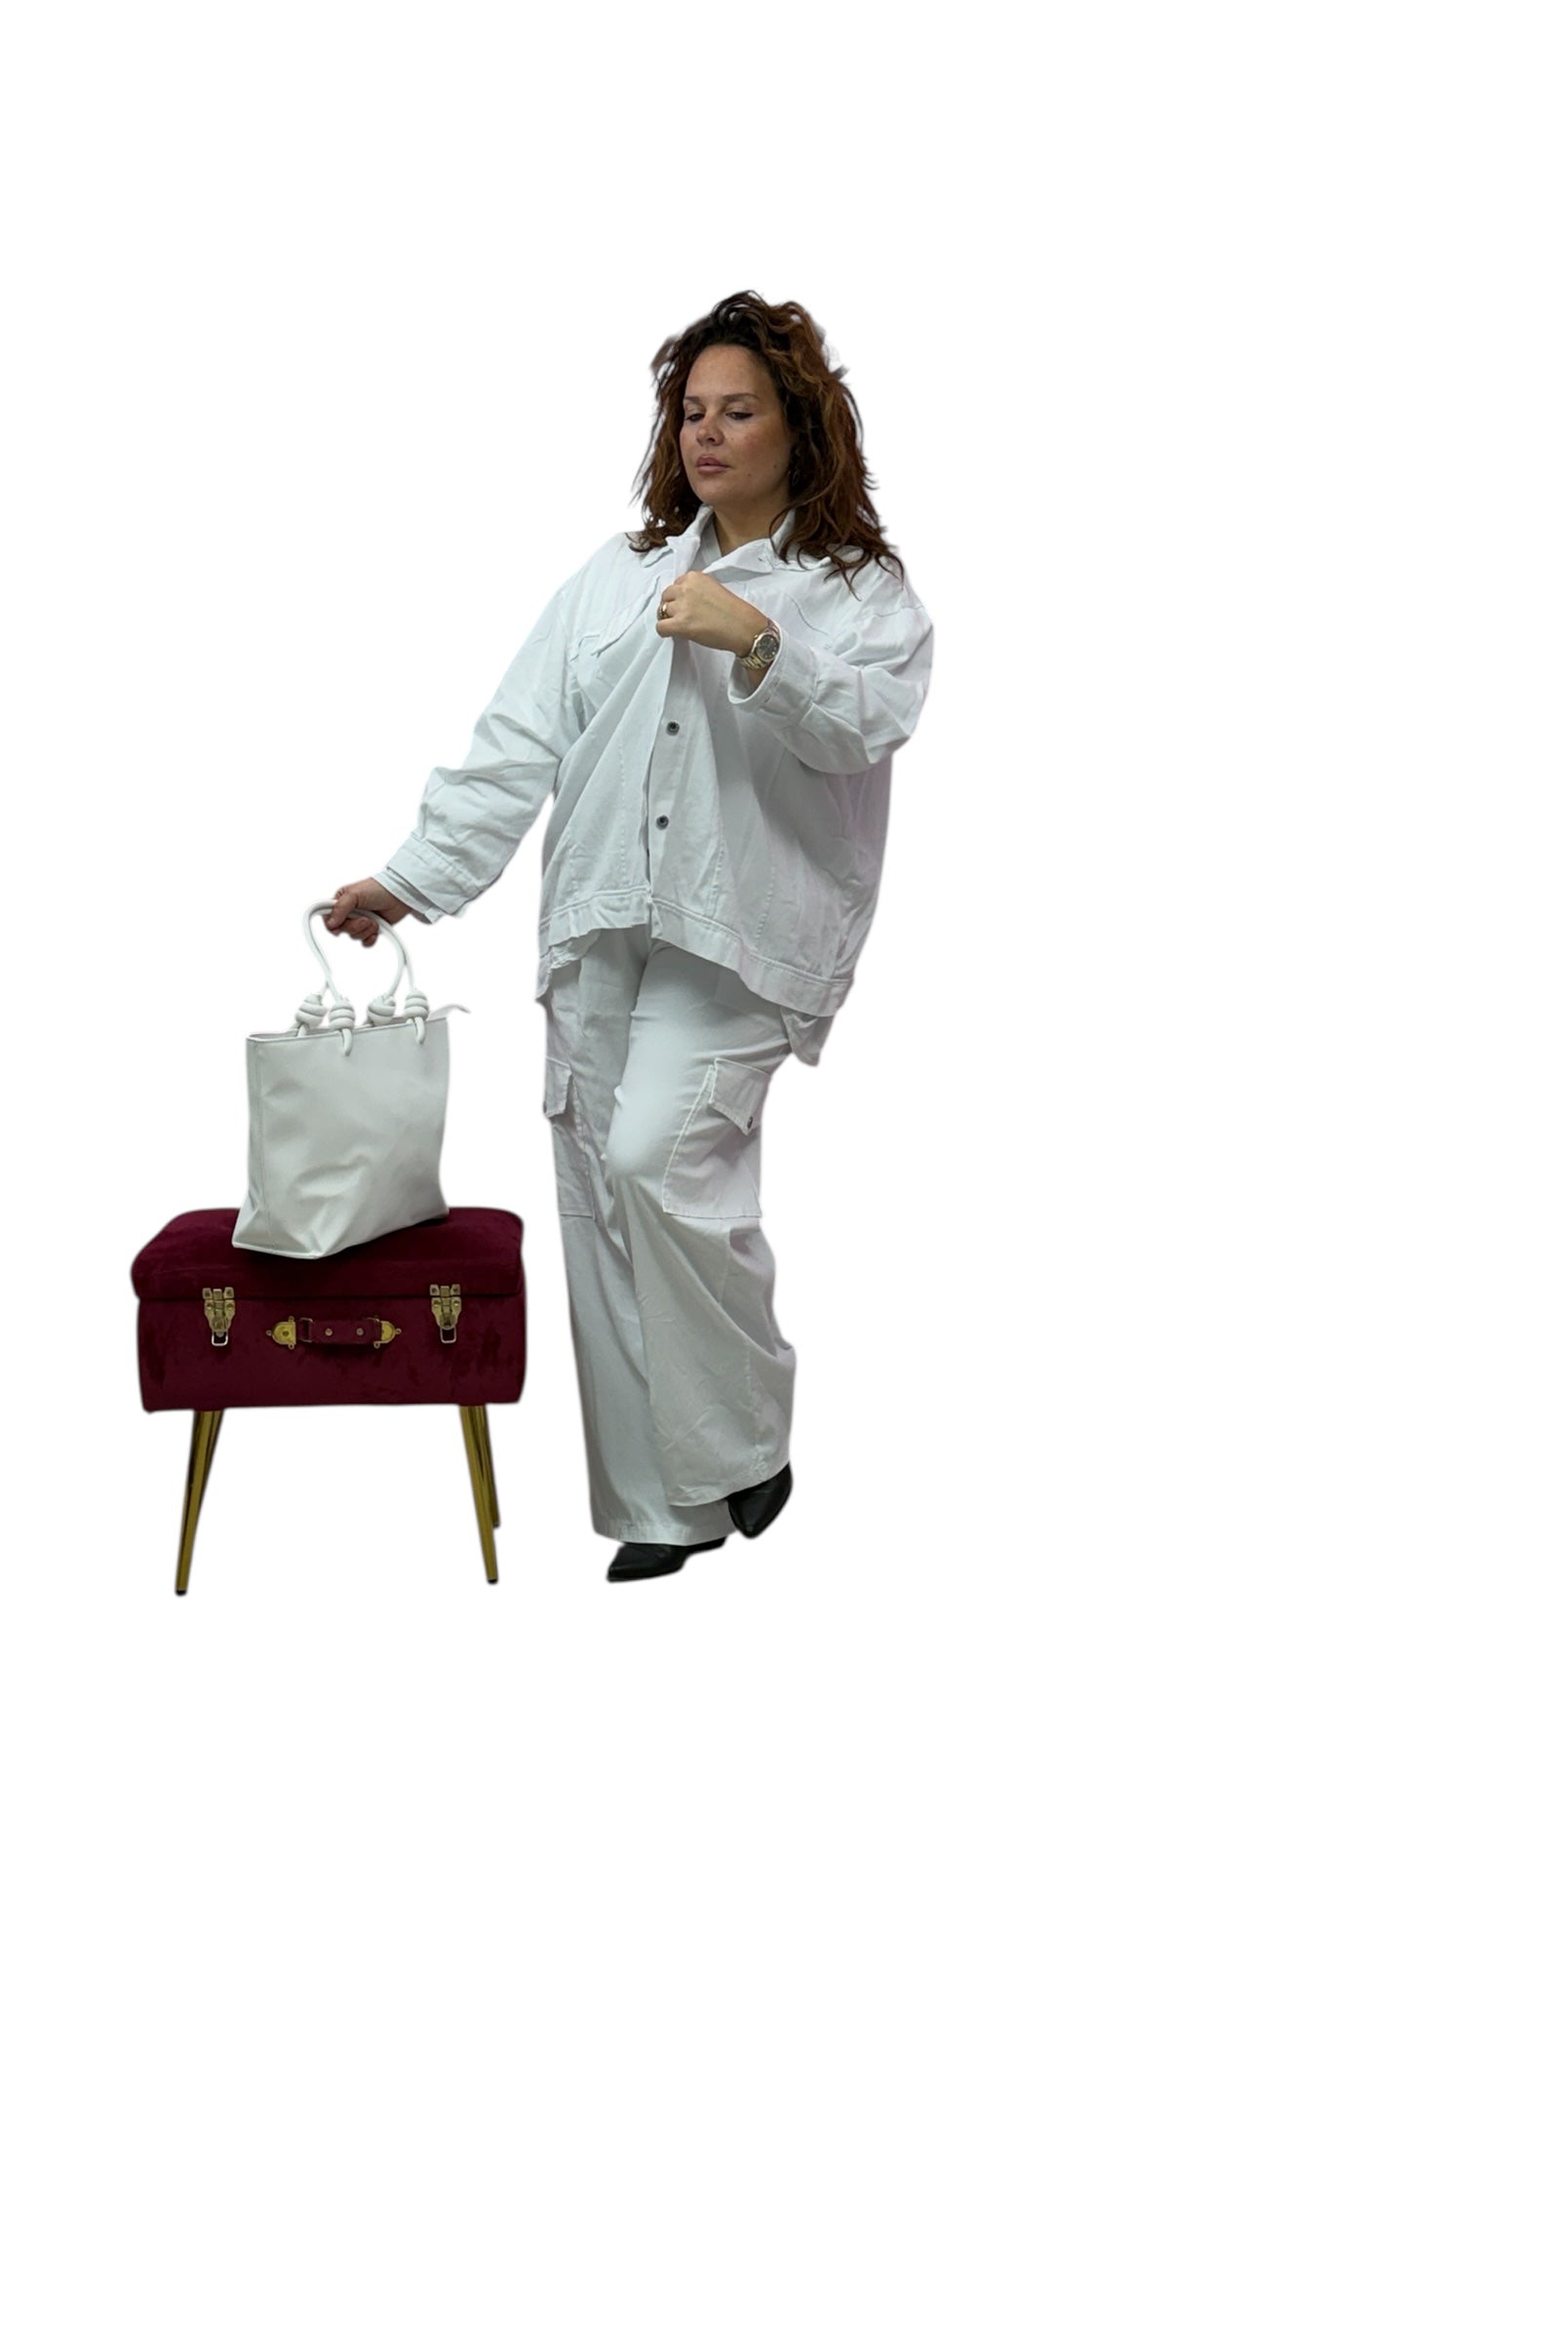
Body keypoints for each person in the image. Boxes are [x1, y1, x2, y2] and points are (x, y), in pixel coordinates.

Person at [327, 290, 934, 1583]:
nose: (707, 434)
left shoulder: (856, 591)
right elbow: (517, 741)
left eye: (738, 411)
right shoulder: (619, 573)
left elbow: (868, 725)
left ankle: (746, 1439)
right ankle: (662, 1512)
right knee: (601, 1196)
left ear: (799, 428)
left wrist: (757, 639)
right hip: (600, 918)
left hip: (741, 937)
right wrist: (409, 883)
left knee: (659, 1159)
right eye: (692, 412)